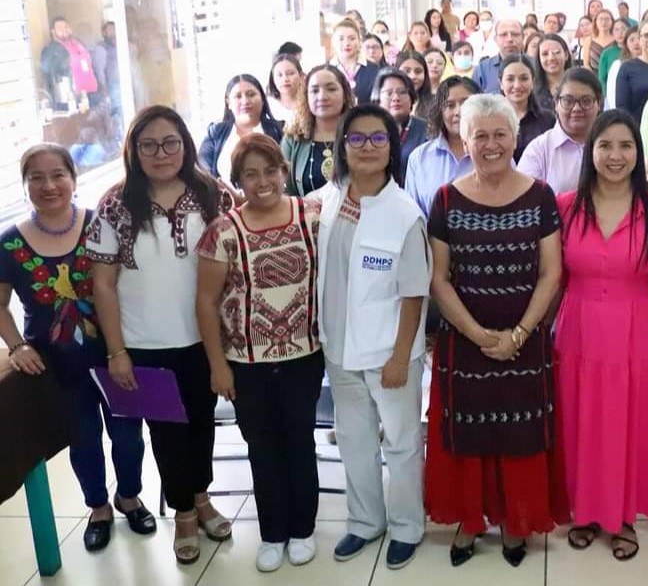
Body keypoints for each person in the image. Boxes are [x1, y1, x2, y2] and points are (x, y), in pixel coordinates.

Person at [87, 105, 234, 565]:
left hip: (204, 339)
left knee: (203, 424)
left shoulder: (213, 194)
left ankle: (202, 496)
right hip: (144, 345)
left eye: (170, 142)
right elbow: (103, 285)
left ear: (185, 145)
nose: (161, 153)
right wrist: (117, 352)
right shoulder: (115, 204)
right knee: (168, 434)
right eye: (148, 145)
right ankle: (185, 515)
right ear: (133, 151)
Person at [425, 94, 568, 567]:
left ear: (515, 137)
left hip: (525, 341)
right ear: (464, 141)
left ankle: (514, 520)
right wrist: (480, 336)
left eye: (500, 134)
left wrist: (520, 334)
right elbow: (438, 277)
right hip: (464, 343)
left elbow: (551, 272)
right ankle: (469, 519)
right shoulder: (446, 199)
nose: (491, 144)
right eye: (479, 135)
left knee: (520, 433)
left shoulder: (541, 195)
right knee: (466, 433)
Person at [1, 144, 150, 553]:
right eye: (37, 178)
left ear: (73, 178)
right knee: (82, 438)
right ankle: (98, 507)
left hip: (116, 352)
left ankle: (130, 496)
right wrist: (15, 345)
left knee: (128, 436)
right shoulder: (10, 243)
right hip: (57, 364)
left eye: (58, 175)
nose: (49, 186)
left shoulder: (102, 225)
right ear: (25, 184)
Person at [307, 104, 431, 571]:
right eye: (356, 139)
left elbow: (415, 292)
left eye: (378, 138)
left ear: (392, 147)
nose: (367, 147)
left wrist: (401, 357)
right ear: (341, 146)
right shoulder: (325, 202)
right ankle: (364, 522)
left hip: (389, 354)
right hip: (338, 350)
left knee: (400, 443)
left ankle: (405, 527)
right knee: (355, 440)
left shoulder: (404, 213)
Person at [555, 111, 648, 562]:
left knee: (629, 424)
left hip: (638, 332)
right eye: (604, 145)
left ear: (638, 152)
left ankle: (624, 514)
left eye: (625, 145)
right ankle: (586, 509)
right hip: (578, 332)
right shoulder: (566, 205)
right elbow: (553, 279)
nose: (615, 155)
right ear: (591, 152)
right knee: (583, 422)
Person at [195, 135, 323, 572]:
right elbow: (207, 302)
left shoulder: (312, 216)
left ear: (284, 172)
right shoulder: (223, 231)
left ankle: (303, 528)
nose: (262, 181)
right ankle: (273, 532)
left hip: (304, 356)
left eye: (270, 171)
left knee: (299, 442)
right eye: (251, 173)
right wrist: (217, 364)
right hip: (245, 362)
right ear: (238, 180)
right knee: (262, 447)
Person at [405, 77, 481, 216]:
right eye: (450, 105)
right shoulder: (419, 158)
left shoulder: (495, 154)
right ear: (440, 111)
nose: (458, 112)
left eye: (466, 103)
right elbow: (412, 217)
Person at [519, 68, 603, 193]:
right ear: (556, 104)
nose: (576, 108)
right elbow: (526, 201)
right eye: (568, 101)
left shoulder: (613, 145)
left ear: (599, 104)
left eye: (586, 101)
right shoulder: (539, 150)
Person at [283, 65, 355, 197]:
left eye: (331, 89)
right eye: (314, 91)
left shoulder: (360, 135)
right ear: (306, 97)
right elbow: (284, 190)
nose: (322, 96)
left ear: (345, 95)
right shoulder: (294, 138)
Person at [198, 75, 284, 183]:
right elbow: (203, 172)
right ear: (228, 102)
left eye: (251, 94)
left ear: (262, 99)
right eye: (238, 96)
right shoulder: (215, 133)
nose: (245, 101)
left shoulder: (280, 131)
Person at [372, 68, 429, 184]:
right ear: (378, 99)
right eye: (389, 93)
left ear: (411, 98)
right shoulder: (368, 131)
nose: (396, 98)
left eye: (402, 92)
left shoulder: (427, 131)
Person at [499, 54, 556, 161]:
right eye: (510, 79)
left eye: (524, 79)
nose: (517, 85)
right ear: (501, 83)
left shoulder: (548, 120)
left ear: (533, 82)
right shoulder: (491, 120)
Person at [41, 17, 97, 110]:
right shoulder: (51, 50)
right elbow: (50, 76)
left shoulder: (78, 43)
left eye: (66, 27)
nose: (64, 30)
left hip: (91, 94)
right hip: (72, 100)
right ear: (53, 32)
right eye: (60, 28)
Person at [330, 19, 380, 103]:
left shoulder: (374, 70)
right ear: (333, 42)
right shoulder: (326, 70)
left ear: (360, 41)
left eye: (352, 38)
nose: (347, 43)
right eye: (341, 39)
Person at [472, 19, 523, 94]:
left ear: (523, 37)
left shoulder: (535, 66)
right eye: (503, 35)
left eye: (515, 34)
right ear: (495, 39)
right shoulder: (482, 69)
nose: (510, 39)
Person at [604, 26, 640, 110]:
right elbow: (612, 93)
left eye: (639, 39)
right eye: (632, 40)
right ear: (626, 43)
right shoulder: (618, 65)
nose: (636, 43)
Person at [534, 34, 572, 112]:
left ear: (566, 55)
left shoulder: (578, 85)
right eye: (545, 54)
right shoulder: (531, 88)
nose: (551, 58)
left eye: (556, 52)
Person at [91, 22, 121, 113]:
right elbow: (100, 71)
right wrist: (104, 89)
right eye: (110, 30)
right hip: (111, 88)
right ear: (104, 33)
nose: (113, 32)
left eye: (114, 29)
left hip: (120, 87)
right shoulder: (101, 48)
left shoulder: (119, 46)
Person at [397, 51, 436, 120]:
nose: (413, 76)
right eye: (406, 71)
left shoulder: (436, 103)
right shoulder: (388, 102)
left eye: (418, 72)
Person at [267, 53, 304, 126]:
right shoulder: (267, 105)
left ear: (301, 76)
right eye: (279, 75)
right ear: (273, 79)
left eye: (290, 73)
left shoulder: (310, 103)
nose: (285, 79)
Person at [596, 18, 630, 92]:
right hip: (611, 94)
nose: (620, 33)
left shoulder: (635, 51)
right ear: (612, 33)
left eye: (623, 29)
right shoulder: (607, 53)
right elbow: (602, 78)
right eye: (616, 30)